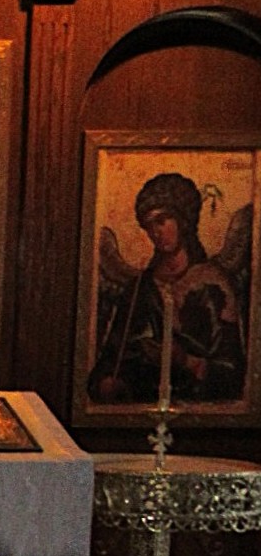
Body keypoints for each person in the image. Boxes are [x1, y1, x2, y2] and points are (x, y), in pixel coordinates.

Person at [87, 172, 247, 405]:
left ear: (182, 220)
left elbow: (233, 374)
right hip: (143, 408)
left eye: (162, 221)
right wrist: (107, 383)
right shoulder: (140, 289)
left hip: (200, 411)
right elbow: (111, 359)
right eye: (149, 226)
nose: (156, 232)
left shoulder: (214, 284)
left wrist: (185, 360)